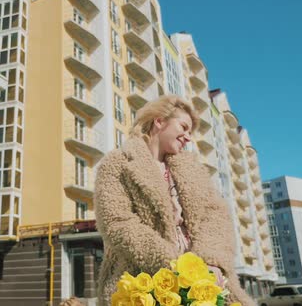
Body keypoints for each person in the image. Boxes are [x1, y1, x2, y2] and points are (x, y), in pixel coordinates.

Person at [94, 95, 255, 305]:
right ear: (159, 121)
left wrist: (211, 262)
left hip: (204, 282)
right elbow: (117, 222)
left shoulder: (193, 170)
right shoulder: (118, 163)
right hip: (140, 283)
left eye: (191, 132)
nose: (188, 137)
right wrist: (173, 264)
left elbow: (216, 216)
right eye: (184, 127)